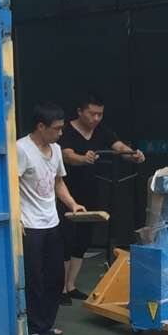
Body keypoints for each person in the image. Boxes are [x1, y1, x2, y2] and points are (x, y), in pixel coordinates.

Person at [59, 94, 145, 300]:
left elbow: (119, 147)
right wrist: (83, 158)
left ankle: (71, 285)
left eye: (100, 114)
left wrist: (133, 154)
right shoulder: (67, 131)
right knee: (66, 238)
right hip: (66, 192)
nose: (96, 118)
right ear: (80, 112)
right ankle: (60, 288)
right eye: (92, 114)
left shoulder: (102, 130)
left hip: (92, 190)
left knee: (83, 239)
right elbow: (67, 155)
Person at [18, 104, 87, 335]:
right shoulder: (21, 149)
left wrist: (73, 204)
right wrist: (17, 218)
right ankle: (33, 328)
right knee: (34, 278)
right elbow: (11, 184)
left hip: (52, 222)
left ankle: (46, 323)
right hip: (30, 224)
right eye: (56, 129)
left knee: (56, 277)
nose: (60, 133)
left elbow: (58, 182)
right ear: (41, 126)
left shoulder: (56, 150)